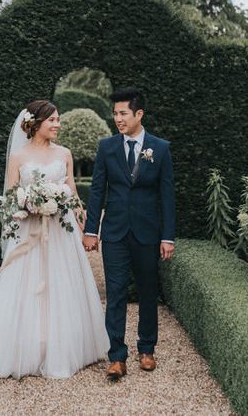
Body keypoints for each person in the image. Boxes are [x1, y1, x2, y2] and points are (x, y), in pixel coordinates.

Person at [0, 100, 109, 378]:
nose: (58, 124)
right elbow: (10, 198)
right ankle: (26, 348)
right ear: (36, 124)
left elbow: (71, 192)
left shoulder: (65, 153)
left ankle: (65, 346)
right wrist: (27, 205)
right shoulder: (18, 158)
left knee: (63, 284)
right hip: (29, 231)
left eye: (58, 119)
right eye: (53, 120)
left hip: (61, 232)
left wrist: (83, 224)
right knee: (27, 285)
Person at [83, 87, 175, 381]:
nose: (117, 119)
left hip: (148, 233)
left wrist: (168, 236)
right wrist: (91, 230)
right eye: (115, 113)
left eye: (123, 113)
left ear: (139, 114)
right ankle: (117, 356)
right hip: (115, 233)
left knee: (148, 292)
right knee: (116, 293)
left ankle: (146, 349)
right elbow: (97, 191)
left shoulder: (160, 149)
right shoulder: (106, 147)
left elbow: (167, 196)